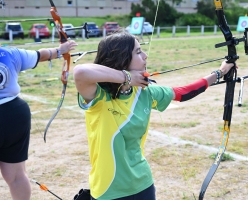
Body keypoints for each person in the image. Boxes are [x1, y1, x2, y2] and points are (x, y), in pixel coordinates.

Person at [73, 29, 234, 200]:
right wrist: (127, 77)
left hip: (143, 185)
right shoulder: (99, 96)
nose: (145, 56)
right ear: (122, 58)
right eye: (138, 52)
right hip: (108, 191)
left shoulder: (145, 92)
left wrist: (220, 72)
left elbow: (183, 92)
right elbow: (80, 72)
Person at [0, 40, 77, 200]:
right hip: (14, 113)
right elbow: (41, 55)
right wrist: (60, 50)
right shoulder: (10, 53)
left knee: (17, 176)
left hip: (12, 113)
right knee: (16, 176)